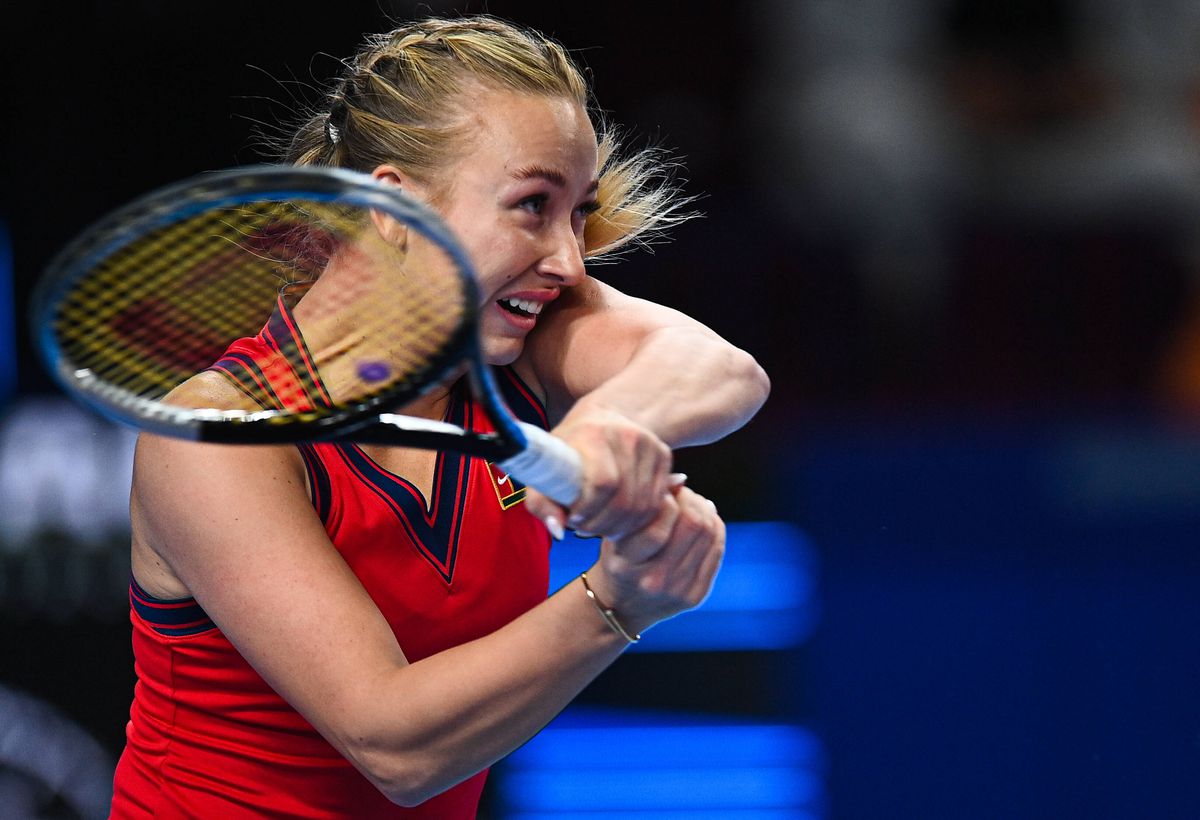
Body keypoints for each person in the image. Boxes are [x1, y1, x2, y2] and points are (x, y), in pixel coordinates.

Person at [110, 14, 769, 818]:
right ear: (393, 207)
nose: (567, 258)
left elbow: (723, 371)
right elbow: (394, 743)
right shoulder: (216, 432)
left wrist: (602, 429)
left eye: (577, 212)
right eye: (532, 204)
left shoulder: (521, 334)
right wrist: (618, 602)